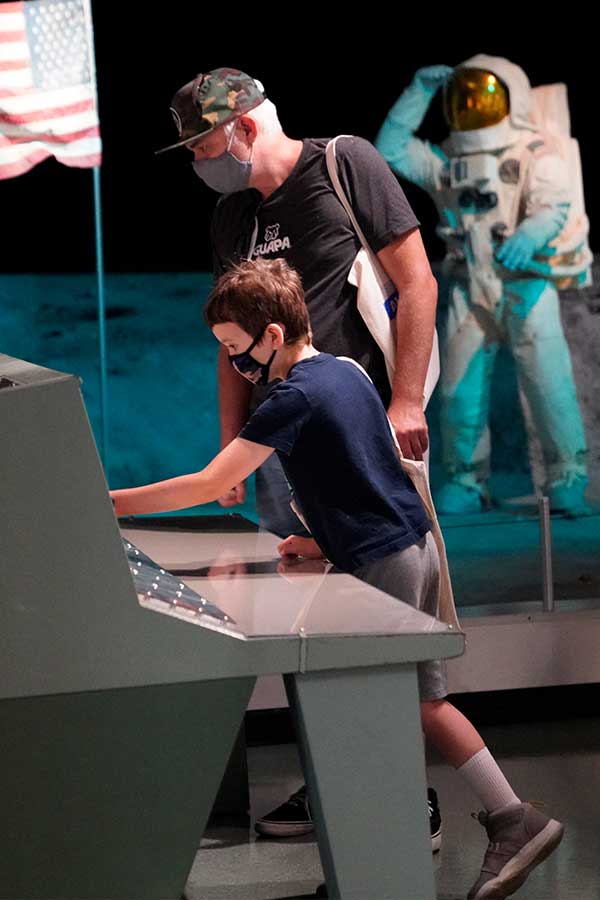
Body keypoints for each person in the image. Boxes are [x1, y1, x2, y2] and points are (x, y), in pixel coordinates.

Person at [112, 258, 564, 900]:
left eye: (238, 352)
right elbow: (367, 472)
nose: (237, 368)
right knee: (423, 703)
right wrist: (323, 538)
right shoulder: (346, 372)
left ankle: (388, 859)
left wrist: (105, 501)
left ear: (272, 335)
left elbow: (213, 483)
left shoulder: (291, 397)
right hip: (415, 545)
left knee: (370, 712)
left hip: (383, 561)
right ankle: (510, 818)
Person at [156, 65, 440, 843]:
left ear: (244, 126)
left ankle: (408, 801)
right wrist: (230, 449)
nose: (197, 162)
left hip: (362, 439)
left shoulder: (345, 166)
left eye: (202, 143)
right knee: (310, 628)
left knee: (386, 629)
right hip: (280, 449)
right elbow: (228, 345)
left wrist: (406, 400)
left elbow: (417, 283)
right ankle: (334, 787)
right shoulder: (231, 221)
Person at [375, 54, 591, 516]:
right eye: (464, 98)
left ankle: (568, 478)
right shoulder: (448, 160)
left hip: (527, 285)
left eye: (483, 97)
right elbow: (391, 150)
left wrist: (531, 234)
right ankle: (464, 481)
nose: (472, 107)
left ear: (509, 98)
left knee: (549, 385)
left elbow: (554, 204)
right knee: (459, 390)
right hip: (469, 286)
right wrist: (419, 92)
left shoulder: (534, 152)